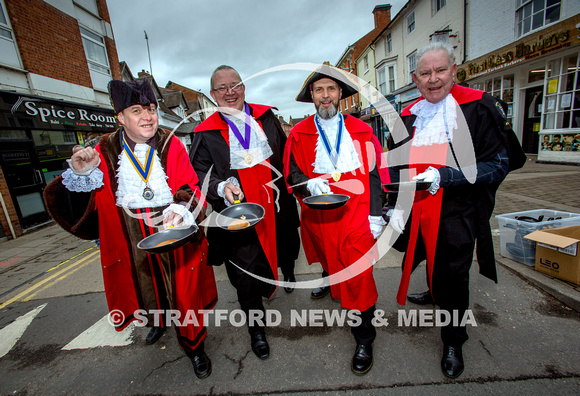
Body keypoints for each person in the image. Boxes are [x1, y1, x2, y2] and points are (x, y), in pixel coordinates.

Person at [43, 79, 217, 379]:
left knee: (183, 293)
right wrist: (81, 173)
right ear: (120, 117)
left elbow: (190, 185)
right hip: (128, 237)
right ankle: (158, 322)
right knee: (144, 289)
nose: (148, 116)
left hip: (171, 235)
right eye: (137, 110)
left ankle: (194, 346)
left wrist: (181, 207)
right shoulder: (102, 150)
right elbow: (80, 208)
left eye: (151, 109)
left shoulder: (170, 142)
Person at [385, 42, 526, 379]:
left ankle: (453, 340)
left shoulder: (479, 107)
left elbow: (499, 164)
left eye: (440, 70)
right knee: (417, 255)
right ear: (415, 79)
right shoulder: (408, 114)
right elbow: (395, 165)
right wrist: (390, 205)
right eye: (425, 73)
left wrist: (445, 176)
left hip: (458, 209)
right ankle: (434, 291)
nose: (434, 79)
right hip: (418, 209)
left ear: (454, 71)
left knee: (454, 274)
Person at [189, 65, 300, 360]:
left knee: (285, 247)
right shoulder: (205, 132)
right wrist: (219, 186)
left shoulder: (266, 117)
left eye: (235, 85)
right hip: (238, 213)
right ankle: (256, 329)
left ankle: (286, 270)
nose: (229, 92)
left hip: (277, 205)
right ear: (213, 95)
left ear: (244, 88)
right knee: (245, 272)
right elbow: (198, 173)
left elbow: (287, 153)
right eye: (222, 88)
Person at [283, 62, 386, 376]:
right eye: (319, 90)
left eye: (331, 88)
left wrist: (376, 214)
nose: (325, 96)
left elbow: (376, 173)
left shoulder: (362, 130)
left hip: (357, 214)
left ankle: (365, 338)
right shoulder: (300, 133)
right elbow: (291, 173)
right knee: (331, 262)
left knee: (360, 277)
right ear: (312, 96)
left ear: (341, 93)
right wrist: (306, 183)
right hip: (321, 215)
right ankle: (329, 281)